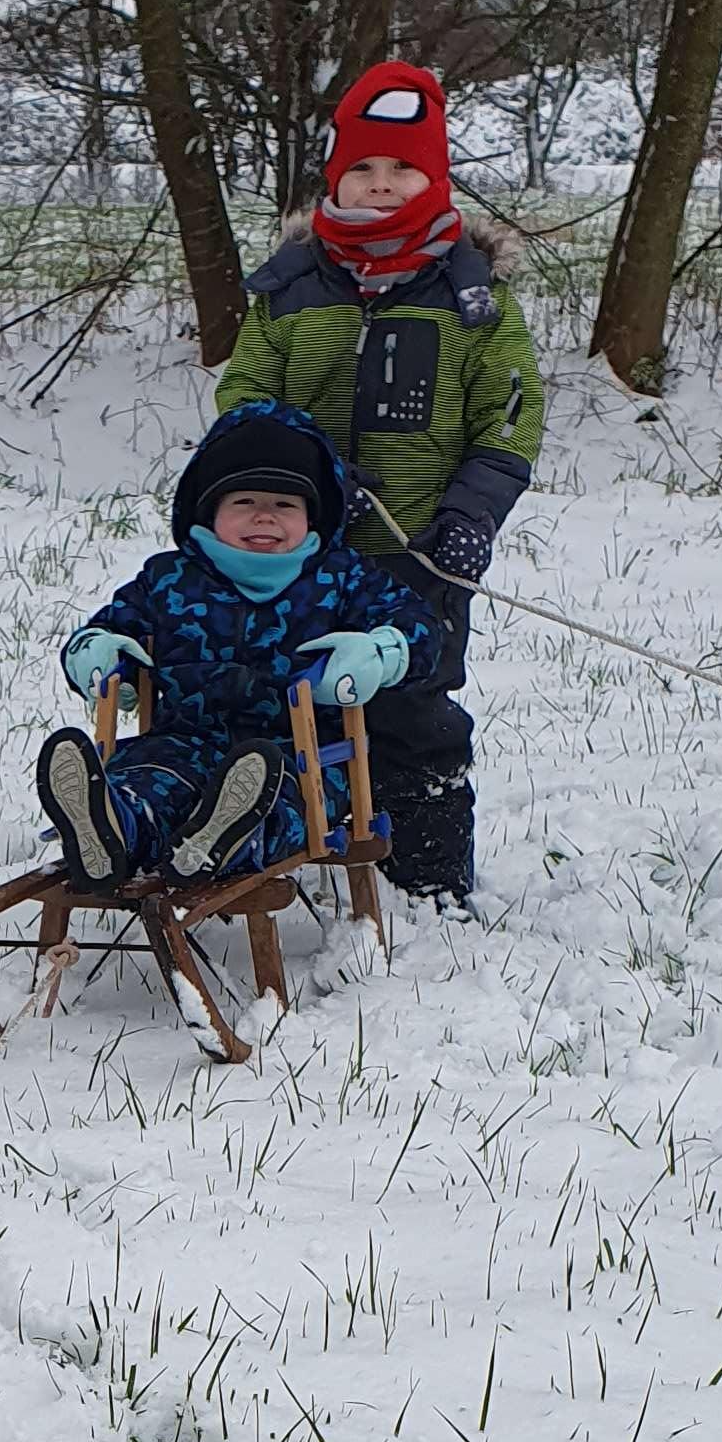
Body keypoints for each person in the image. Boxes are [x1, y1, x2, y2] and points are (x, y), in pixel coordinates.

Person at [214, 60, 544, 903]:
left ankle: (429, 876)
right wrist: (306, 473)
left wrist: (470, 518)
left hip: (424, 554)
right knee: (294, 701)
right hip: (298, 552)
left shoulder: (476, 299)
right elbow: (245, 398)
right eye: (363, 168)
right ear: (335, 177)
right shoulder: (289, 292)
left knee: (411, 711)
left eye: (403, 169)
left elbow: (507, 419)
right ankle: (289, 852)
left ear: (435, 178)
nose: (382, 185)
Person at [33, 402, 446, 889]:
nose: (265, 517)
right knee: (149, 782)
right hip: (180, 742)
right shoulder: (170, 579)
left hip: (301, 753)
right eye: (245, 502)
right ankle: (113, 829)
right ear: (211, 512)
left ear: (313, 517)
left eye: (285, 505)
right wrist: (99, 651)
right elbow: (111, 627)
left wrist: (381, 651)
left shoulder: (342, 578)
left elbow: (419, 625)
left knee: (282, 797)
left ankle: (228, 840)